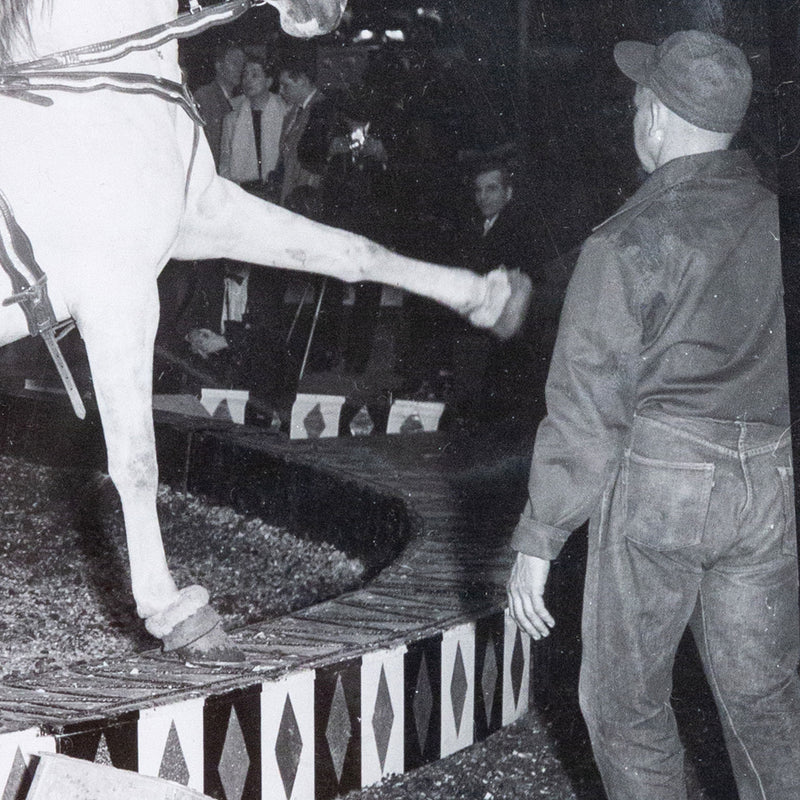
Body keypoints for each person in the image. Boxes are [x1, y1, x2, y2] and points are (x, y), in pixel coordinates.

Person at [506, 30, 800, 800]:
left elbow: (586, 404)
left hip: (664, 480)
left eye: (640, 100)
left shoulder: (626, 239)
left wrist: (541, 537)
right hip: (772, 480)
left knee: (624, 709)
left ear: (659, 119)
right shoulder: (778, 220)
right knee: (764, 705)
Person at [219, 56, 288, 191]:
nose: (248, 80)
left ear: (268, 82)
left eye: (255, 75)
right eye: (245, 75)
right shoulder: (232, 118)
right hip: (243, 189)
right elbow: (225, 161)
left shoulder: (284, 112)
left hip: (276, 188)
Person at [194, 42, 246, 167]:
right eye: (234, 63)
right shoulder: (204, 96)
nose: (240, 69)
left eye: (242, 64)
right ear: (219, 66)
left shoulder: (242, 98)